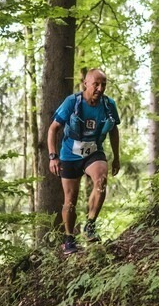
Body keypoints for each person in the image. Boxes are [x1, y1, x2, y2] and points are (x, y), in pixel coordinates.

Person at [47, 68, 122, 254]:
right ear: (85, 84)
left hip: (93, 152)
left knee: (101, 180)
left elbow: (113, 130)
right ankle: (69, 239)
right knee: (70, 200)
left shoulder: (108, 104)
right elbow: (52, 129)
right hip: (69, 156)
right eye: (96, 84)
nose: (99, 88)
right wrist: (53, 156)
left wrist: (116, 157)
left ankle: (90, 225)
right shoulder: (72, 102)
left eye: (103, 84)